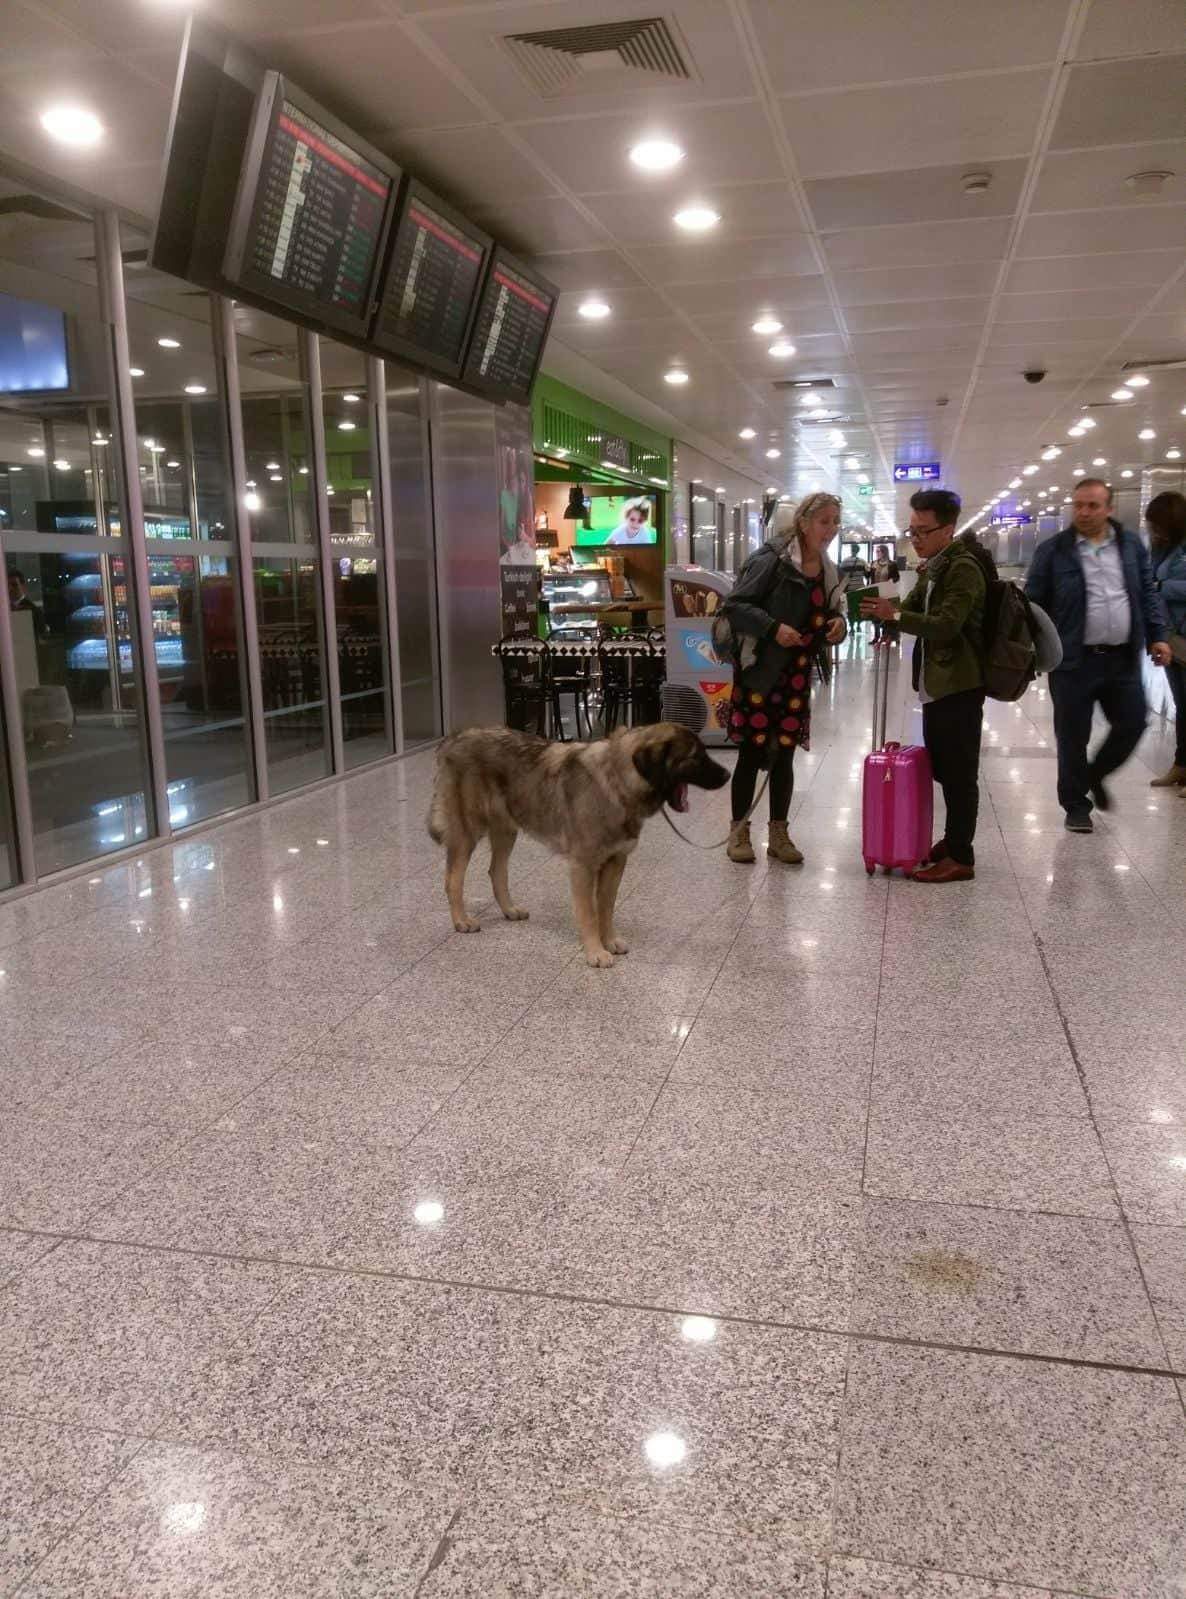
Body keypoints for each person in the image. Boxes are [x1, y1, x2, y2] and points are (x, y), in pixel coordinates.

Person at [1024, 477, 1170, 832]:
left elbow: (1146, 594)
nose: (1084, 512)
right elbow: (1032, 605)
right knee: (1072, 735)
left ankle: (1095, 773)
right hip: (1073, 660)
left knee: (1134, 721)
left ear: (1108, 508)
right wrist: (1033, 651)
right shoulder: (1053, 550)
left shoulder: (1131, 546)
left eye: (1092, 505)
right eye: (1078, 505)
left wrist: (1158, 636)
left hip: (1121, 658)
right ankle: (1076, 805)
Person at [861, 488, 987, 884]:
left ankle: (961, 856)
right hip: (937, 682)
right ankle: (951, 842)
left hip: (960, 683)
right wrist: (880, 606)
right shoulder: (935, 565)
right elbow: (912, 608)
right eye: (911, 530)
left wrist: (894, 614)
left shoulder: (962, 568)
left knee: (960, 772)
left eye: (922, 531)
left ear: (947, 530)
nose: (914, 539)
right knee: (946, 769)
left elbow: (948, 625)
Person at [719, 492, 847, 865]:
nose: (832, 529)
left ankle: (779, 833)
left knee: (785, 754)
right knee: (751, 750)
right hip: (759, 671)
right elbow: (735, 606)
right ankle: (739, 831)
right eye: (825, 521)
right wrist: (773, 628)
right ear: (804, 523)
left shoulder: (827, 569)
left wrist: (839, 625)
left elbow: (832, 612)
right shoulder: (770, 560)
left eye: (836, 521)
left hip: (795, 675)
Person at [1145, 490, 1186, 794]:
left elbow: (1161, 585)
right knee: (1182, 705)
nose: (1153, 530)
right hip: (1172, 637)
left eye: (1157, 524)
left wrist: (1162, 586)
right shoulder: (1162, 549)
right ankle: (1180, 765)